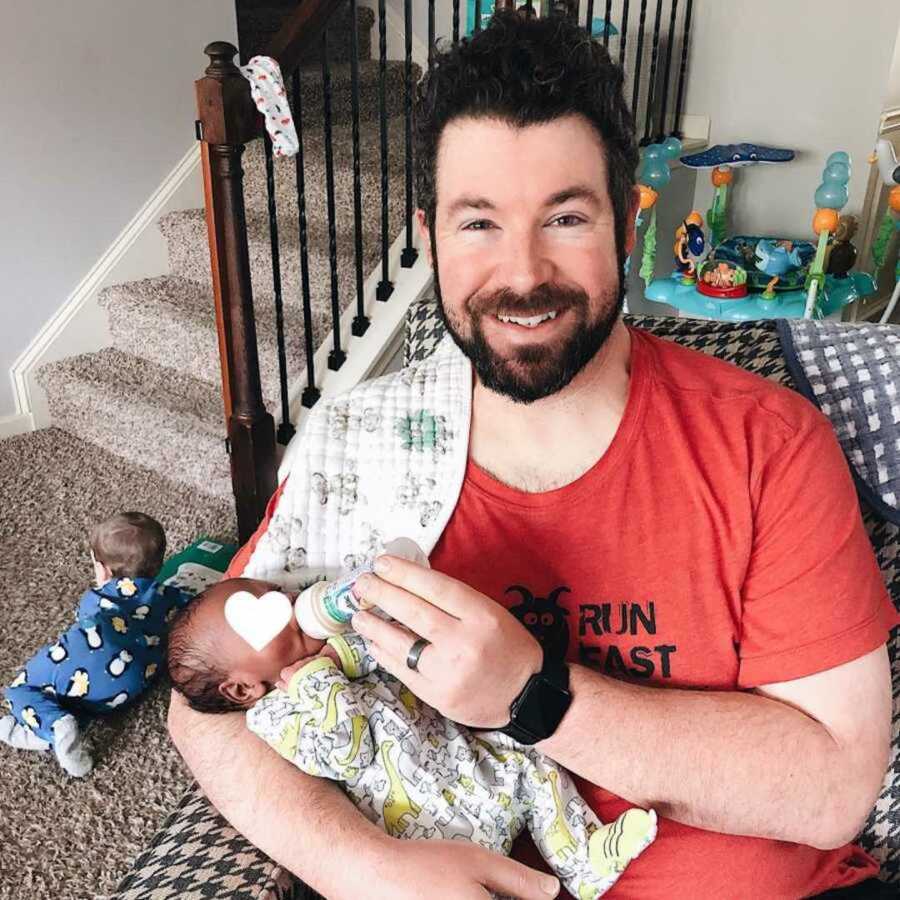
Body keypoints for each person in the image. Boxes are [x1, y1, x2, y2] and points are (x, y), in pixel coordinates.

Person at [169, 11, 897, 898]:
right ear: (429, 232)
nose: (522, 273)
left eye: (564, 216)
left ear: (627, 224)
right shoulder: (358, 448)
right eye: (478, 223)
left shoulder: (768, 446)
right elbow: (206, 703)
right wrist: (365, 868)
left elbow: (832, 792)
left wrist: (534, 699)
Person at [166, 576, 658, 899]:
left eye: (279, 593)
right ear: (242, 687)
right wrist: (317, 679)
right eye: (268, 618)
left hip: (474, 767)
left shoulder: (337, 654)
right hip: (431, 823)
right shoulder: (277, 714)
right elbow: (348, 749)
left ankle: (582, 857)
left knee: (533, 757)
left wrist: (347, 637)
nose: (291, 605)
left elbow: (384, 652)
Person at [1, 511, 187, 776]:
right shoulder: (167, 594)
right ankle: (55, 728)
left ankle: (55, 726)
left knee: (21, 689)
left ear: (103, 570)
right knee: (79, 696)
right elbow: (188, 606)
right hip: (131, 684)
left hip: (97, 677)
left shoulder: (94, 599)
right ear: (158, 566)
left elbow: (86, 635)